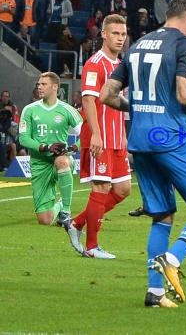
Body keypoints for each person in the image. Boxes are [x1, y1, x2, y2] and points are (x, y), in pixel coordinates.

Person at [100, 0, 186, 308]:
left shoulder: (137, 46)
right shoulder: (185, 45)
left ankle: (155, 292)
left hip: (139, 141)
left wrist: (139, 109)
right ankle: (173, 259)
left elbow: (107, 95)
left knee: (162, 215)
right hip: (171, 137)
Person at [66, 14, 132, 260]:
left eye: (123, 34)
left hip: (116, 137)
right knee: (102, 187)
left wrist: (123, 134)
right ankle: (92, 246)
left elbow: (120, 103)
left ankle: (77, 222)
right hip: (99, 137)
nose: (119, 38)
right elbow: (88, 99)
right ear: (104, 34)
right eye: (115, 33)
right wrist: (95, 134)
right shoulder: (95, 63)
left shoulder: (121, 65)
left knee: (123, 189)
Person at [18, 72, 83, 226]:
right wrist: (45, 147)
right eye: (38, 84)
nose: (39, 87)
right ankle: (60, 204)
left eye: (43, 84)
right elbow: (23, 138)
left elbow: (87, 132)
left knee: (61, 160)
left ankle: (66, 212)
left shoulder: (67, 110)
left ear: (55, 87)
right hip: (39, 164)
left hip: (60, 160)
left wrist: (73, 148)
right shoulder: (30, 109)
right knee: (45, 220)